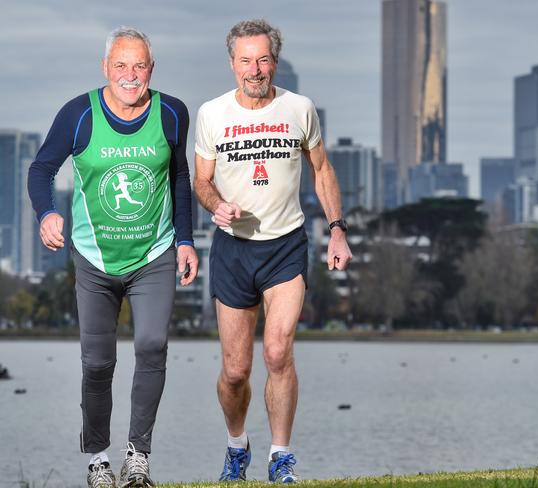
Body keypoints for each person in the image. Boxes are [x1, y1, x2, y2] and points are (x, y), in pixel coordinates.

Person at [28, 26, 198, 488]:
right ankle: (98, 461)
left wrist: (185, 239)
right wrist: (46, 214)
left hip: (154, 253)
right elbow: (42, 168)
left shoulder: (172, 113)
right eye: (120, 65)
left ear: (151, 70)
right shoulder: (78, 114)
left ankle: (137, 455)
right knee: (97, 363)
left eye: (139, 65)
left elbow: (181, 178)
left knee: (151, 345)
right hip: (94, 258)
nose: (130, 75)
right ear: (106, 68)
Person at [194, 19, 352, 483]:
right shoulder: (212, 114)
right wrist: (217, 205)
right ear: (232, 64)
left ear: (274, 61)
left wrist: (338, 230)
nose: (255, 69)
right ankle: (237, 445)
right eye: (245, 60)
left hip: (285, 245)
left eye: (262, 59)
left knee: (279, 353)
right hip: (233, 249)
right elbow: (202, 182)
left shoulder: (299, 108)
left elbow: (321, 170)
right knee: (236, 370)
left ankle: (281, 457)